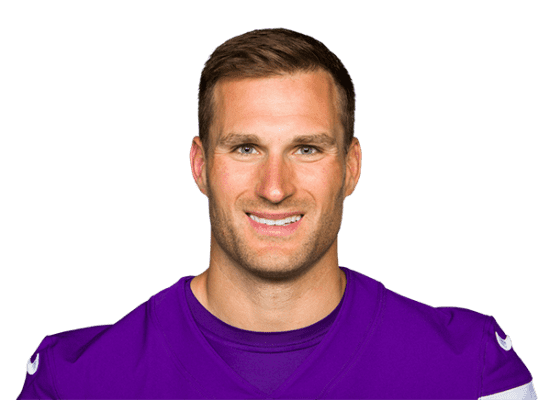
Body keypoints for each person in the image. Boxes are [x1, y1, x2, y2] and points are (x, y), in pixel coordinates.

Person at [17, 28, 536, 400]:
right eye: (245, 148)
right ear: (200, 165)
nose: (274, 188)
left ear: (351, 167)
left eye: (307, 149)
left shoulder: (470, 371)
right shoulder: (74, 381)